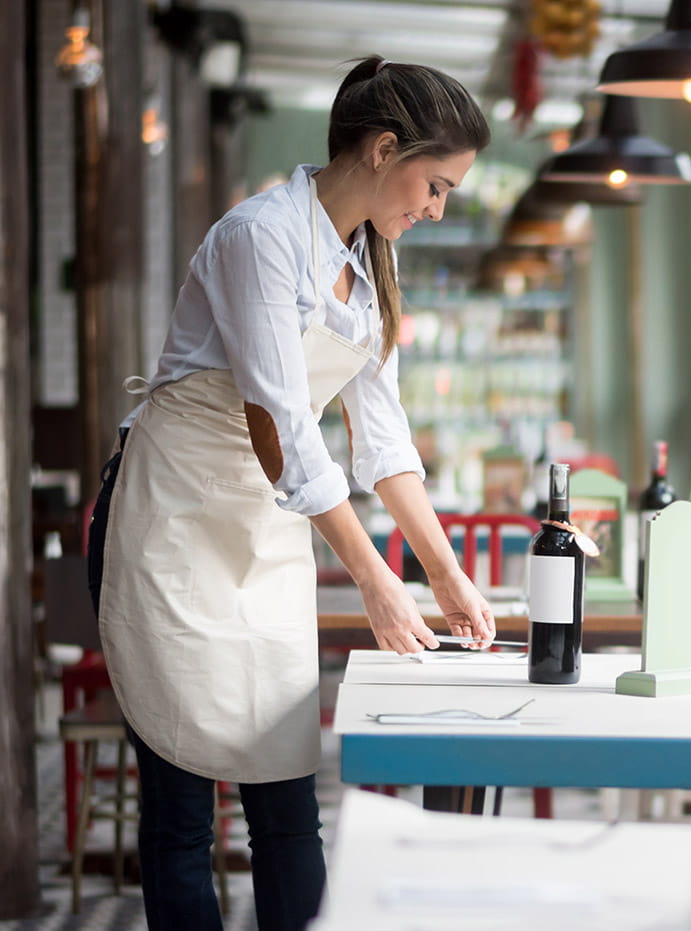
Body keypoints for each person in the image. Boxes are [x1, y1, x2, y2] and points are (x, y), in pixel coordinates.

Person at [86, 56, 495, 931]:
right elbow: (284, 426)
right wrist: (376, 581)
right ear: (385, 150)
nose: (436, 209)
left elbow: (383, 444)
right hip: (174, 520)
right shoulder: (257, 237)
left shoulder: (371, 267)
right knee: (183, 815)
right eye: (436, 184)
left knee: (284, 803)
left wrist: (445, 573)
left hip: (268, 529)